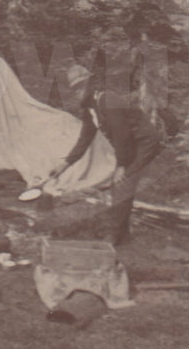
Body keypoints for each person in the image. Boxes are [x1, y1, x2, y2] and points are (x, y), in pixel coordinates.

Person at [60, 62, 162, 245]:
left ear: (90, 84)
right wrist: (65, 163)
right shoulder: (91, 110)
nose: (78, 92)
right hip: (131, 145)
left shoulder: (108, 100)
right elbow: (84, 140)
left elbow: (121, 134)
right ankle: (123, 235)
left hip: (144, 143)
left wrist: (121, 165)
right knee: (120, 187)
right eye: (75, 89)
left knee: (123, 183)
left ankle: (112, 236)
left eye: (81, 87)